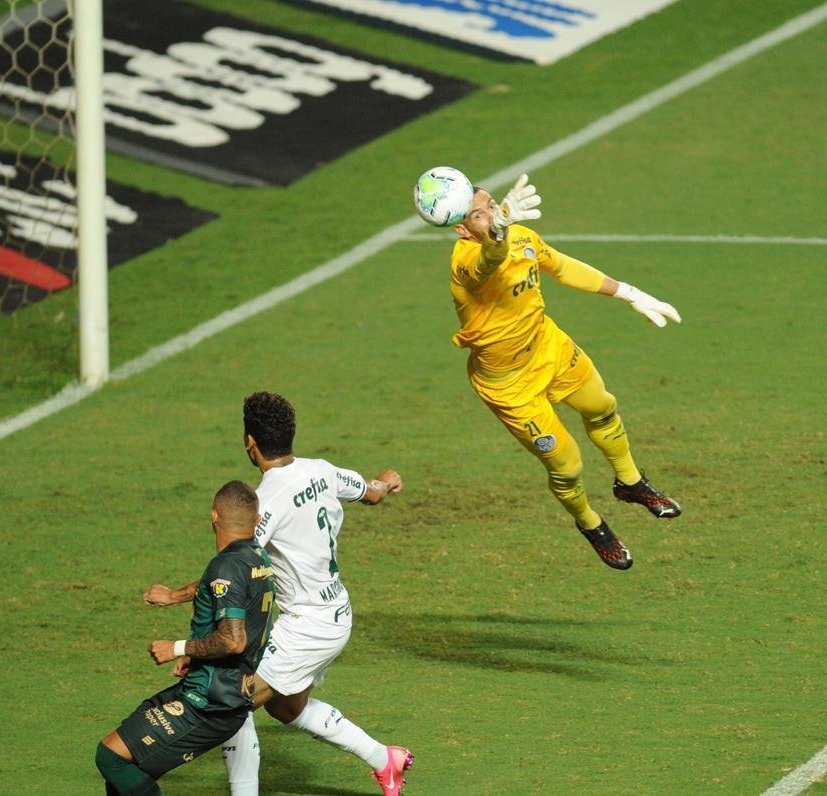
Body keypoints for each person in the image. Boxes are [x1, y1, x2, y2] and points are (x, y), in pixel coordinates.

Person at [143, 391, 412, 796]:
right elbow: (370, 492)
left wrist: (172, 596)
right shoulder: (321, 470)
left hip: (309, 624)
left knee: (231, 701)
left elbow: (236, 569)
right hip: (334, 611)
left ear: (250, 443)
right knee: (286, 707)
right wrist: (386, 482)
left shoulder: (264, 502)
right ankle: (384, 760)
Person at [440, 171, 683, 570]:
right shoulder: (465, 262)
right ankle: (591, 525)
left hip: (548, 347)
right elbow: (490, 262)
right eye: (479, 215)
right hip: (509, 385)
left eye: (490, 204)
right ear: (463, 230)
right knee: (567, 465)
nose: (491, 213)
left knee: (602, 406)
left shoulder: (521, 237)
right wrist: (497, 234)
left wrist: (628, 292)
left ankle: (631, 483)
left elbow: (563, 266)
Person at [95, 480, 276, 796]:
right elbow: (218, 587)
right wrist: (177, 603)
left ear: (214, 517)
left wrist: (176, 647)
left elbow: (233, 640)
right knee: (125, 774)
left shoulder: (227, 565)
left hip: (209, 702)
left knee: (111, 758)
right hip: (221, 690)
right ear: (256, 521)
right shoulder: (256, 556)